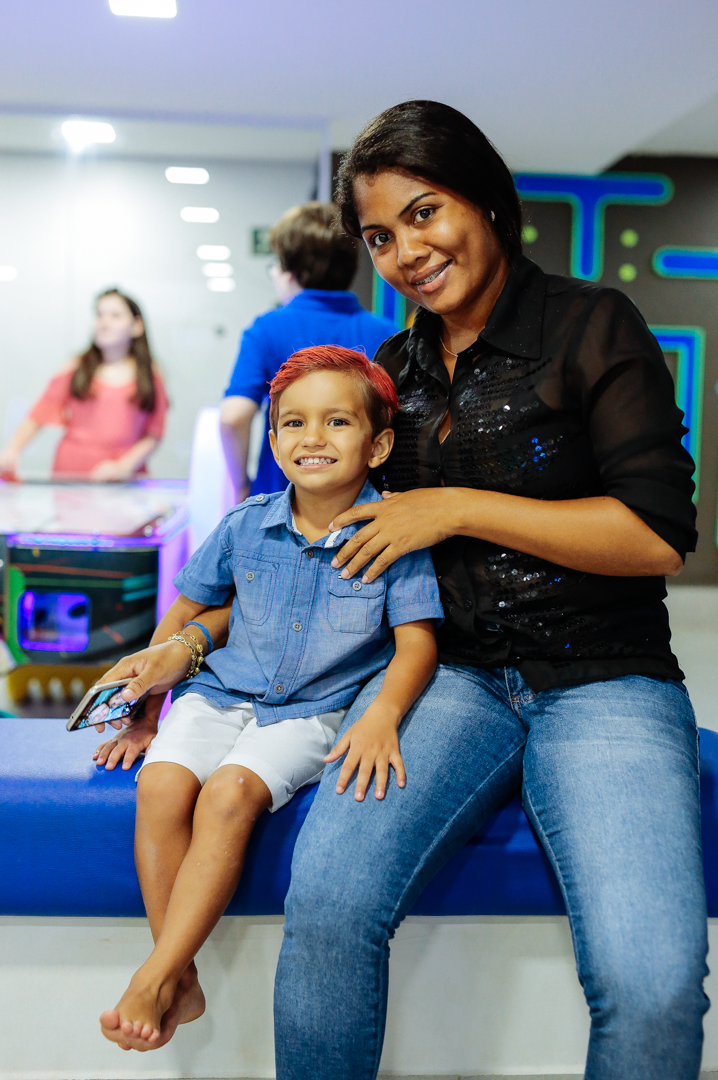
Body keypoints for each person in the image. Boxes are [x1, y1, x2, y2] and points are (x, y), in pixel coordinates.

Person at [98, 100, 710, 1080]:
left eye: (425, 213)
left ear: (487, 201)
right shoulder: (390, 372)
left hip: (604, 678)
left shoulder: (592, 325)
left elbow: (656, 536)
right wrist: (180, 652)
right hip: (444, 679)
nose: (406, 252)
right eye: (380, 236)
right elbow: (290, 564)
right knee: (328, 902)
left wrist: (457, 506)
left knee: (652, 982)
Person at [93, 345, 443, 1052]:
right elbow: (182, 617)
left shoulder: (395, 533)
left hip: (312, 711)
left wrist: (382, 715)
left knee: (229, 795)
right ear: (274, 441)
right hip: (219, 692)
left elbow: (417, 643)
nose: (312, 438)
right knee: (160, 785)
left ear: (377, 446)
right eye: (292, 423)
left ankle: (154, 975)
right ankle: (181, 976)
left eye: (337, 421)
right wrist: (146, 711)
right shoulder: (244, 524)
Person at [220, 201, 395, 502]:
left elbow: (233, 417)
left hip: (281, 503)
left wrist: (240, 484)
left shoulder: (267, 328)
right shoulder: (388, 333)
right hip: (363, 506)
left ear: (289, 271)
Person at [0, 289, 168, 480]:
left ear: (137, 326)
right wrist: (12, 450)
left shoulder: (150, 374)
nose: (104, 322)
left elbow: (155, 433)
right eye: (99, 315)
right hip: (72, 473)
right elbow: (39, 414)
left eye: (115, 316)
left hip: (125, 478)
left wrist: (123, 466)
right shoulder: (75, 367)